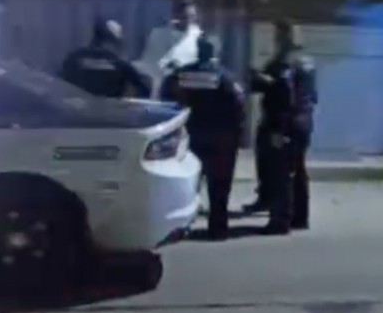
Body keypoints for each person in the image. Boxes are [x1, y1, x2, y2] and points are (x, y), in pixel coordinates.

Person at [161, 36, 246, 241]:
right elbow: (238, 105)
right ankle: (218, 229)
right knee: (220, 186)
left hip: (190, 136)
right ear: (216, 52)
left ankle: (181, 227)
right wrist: (238, 135)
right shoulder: (225, 77)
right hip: (221, 138)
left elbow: (166, 99)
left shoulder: (180, 74)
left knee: (188, 185)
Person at [245, 20, 318, 235]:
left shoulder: (285, 63)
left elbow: (283, 92)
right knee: (298, 170)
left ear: (284, 37)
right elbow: (311, 95)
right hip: (303, 122)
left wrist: (257, 78)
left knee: (280, 172)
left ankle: (280, 221)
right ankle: (300, 218)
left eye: (278, 35)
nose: (275, 39)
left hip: (284, 122)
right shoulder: (308, 62)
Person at [60, 19, 151, 99]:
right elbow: (144, 90)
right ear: (113, 42)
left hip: (74, 110)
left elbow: (60, 84)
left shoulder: (73, 58)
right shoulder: (119, 64)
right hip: (108, 111)